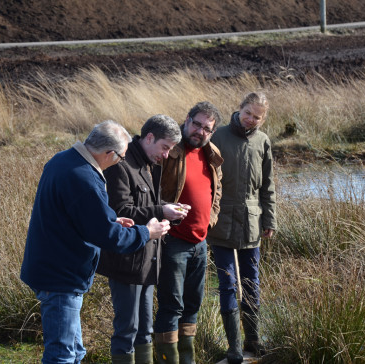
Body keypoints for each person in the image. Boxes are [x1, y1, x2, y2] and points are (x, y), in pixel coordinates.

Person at [20, 120, 171, 364]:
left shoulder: (63, 160)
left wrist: (111, 219)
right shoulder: (85, 178)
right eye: (121, 157)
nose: (121, 162)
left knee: (75, 351)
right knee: (63, 355)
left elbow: (80, 217)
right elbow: (110, 238)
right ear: (109, 153)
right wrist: (147, 232)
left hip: (54, 269)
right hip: (61, 277)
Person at [96, 115, 185, 364]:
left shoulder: (149, 163)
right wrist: (160, 211)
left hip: (147, 261)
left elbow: (145, 205)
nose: (166, 155)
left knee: (145, 331)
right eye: (165, 148)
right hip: (125, 263)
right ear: (149, 138)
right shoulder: (120, 164)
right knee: (127, 331)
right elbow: (120, 211)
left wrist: (169, 209)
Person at [207, 92, 277, 364]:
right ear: (240, 108)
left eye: (257, 116)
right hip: (221, 219)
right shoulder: (218, 137)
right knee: (227, 283)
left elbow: (267, 186)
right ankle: (233, 347)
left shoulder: (263, 141)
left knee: (251, 283)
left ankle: (253, 340)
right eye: (248, 113)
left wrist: (270, 220)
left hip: (251, 221)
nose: (251, 119)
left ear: (263, 118)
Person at [154, 101, 224, 364]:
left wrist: (209, 221)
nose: (200, 131)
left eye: (207, 128)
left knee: (193, 305)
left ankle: (187, 360)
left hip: (200, 242)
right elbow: (151, 188)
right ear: (187, 120)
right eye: (197, 124)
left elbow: (217, 191)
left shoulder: (211, 153)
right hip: (174, 241)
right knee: (172, 306)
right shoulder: (170, 149)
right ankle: (166, 360)